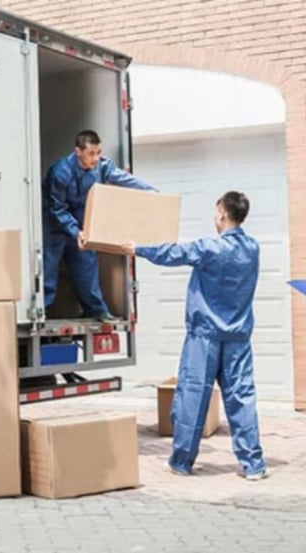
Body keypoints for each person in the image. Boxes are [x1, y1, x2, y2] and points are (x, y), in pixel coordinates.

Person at [122, 191, 267, 480]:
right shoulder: (252, 248)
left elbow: (173, 254)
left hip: (205, 337)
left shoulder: (209, 248)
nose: (214, 217)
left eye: (216, 212)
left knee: (193, 396)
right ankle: (254, 465)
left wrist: (138, 249)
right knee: (242, 397)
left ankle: (181, 461)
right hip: (237, 337)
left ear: (223, 213)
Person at [43, 130, 157, 321]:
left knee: (86, 264)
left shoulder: (102, 166)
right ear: (78, 151)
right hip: (55, 224)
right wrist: (74, 231)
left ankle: (96, 310)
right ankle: (43, 310)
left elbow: (123, 178)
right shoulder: (61, 172)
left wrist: (151, 191)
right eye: (91, 153)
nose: (96, 158)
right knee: (49, 266)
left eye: (98, 152)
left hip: (80, 222)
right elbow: (58, 208)